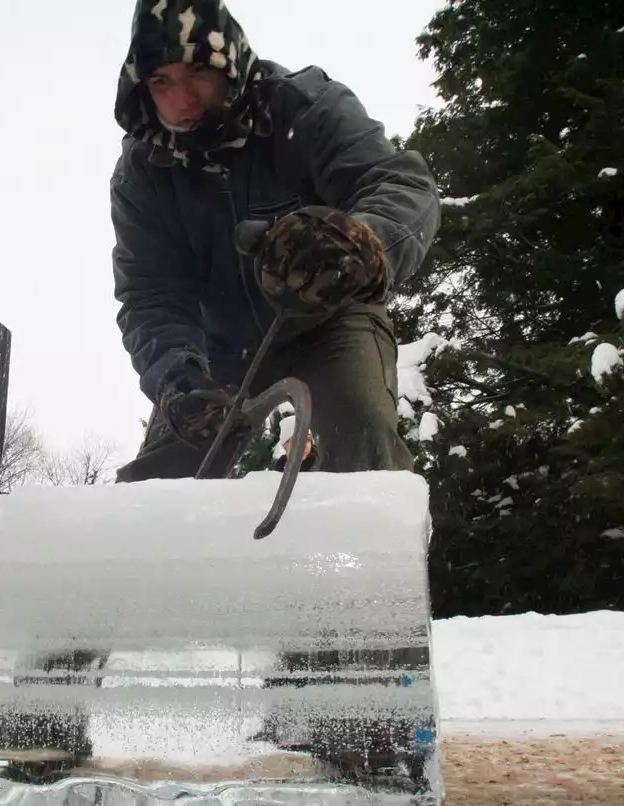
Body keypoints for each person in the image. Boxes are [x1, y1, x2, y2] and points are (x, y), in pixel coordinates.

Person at [110, 0, 440, 483]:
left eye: (199, 70)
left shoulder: (306, 107)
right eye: (161, 81)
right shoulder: (141, 176)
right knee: (162, 484)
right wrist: (177, 377)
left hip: (331, 317)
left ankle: (373, 554)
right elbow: (150, 295)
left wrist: (360, 243)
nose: (183, 100)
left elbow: (402, 185)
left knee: (364, 438)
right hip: (214, 348)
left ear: (232, 60)